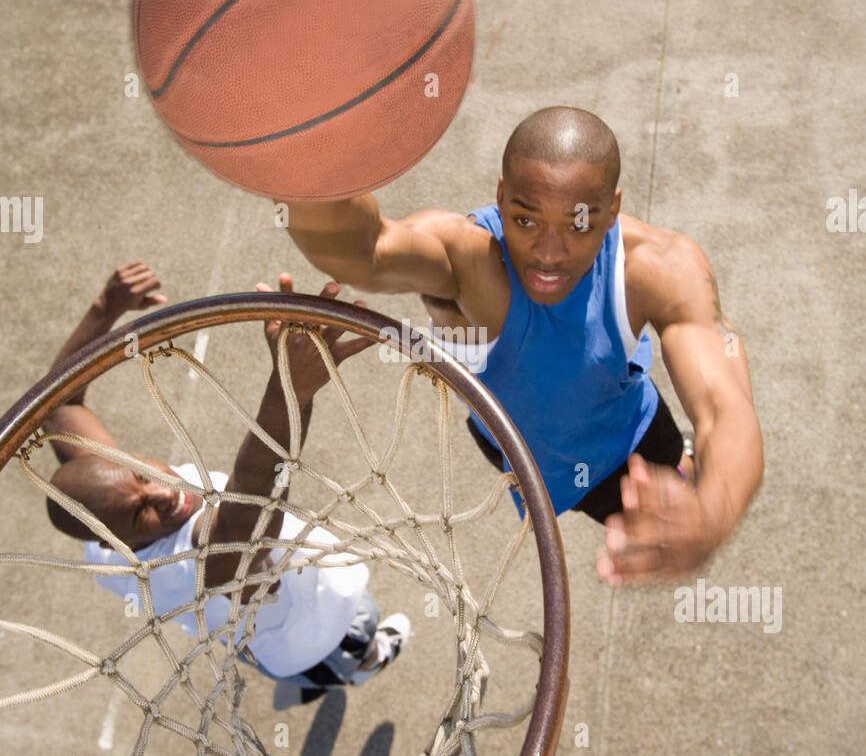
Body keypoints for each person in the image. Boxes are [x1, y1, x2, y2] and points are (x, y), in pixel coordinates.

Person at [287, 106, 764, 586]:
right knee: (592, 491)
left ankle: (682, 468)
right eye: (525, 220)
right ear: (500, 196)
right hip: (522, 451)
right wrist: (299, 149)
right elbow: (365, 250)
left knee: (673, 481)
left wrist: (712, 514)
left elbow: (727, 409)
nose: (549, 252)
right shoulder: (472, 262)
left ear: (613, 209)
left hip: (627, 434)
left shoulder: (656, 267)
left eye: (578, 225)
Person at [40, 261, 410, 703]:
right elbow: (246, 509)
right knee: (354, 633)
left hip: (259, 617)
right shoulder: (183, 566)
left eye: (142, 473)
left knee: (271, 632)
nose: (162, 492)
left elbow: (57, 407)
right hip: (310, 629)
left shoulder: (104, 496)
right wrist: (288, 390)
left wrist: (106, 307)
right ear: (115, 541)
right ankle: (361, 662)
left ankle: (310, 673)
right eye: (142, 512)